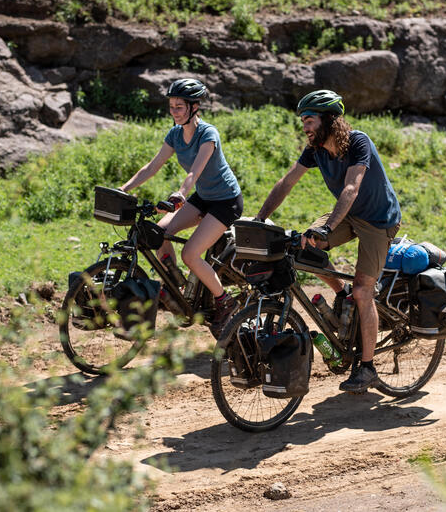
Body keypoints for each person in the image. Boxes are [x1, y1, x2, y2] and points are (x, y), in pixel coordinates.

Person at [255, 90, 402, 393]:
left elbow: (351, 188)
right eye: (303, 121)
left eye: (309, 120)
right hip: (347, 215)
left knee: (364, 291)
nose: (305, 127)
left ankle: (367, 367)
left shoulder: (358, 141)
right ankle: (341, 291)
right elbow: (287, 182)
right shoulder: (316, 149)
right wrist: (259, 219)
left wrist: (329, 226)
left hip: (378, 219)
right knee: (305, 248)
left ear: (329, 120)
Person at [120, 78, 242, 337]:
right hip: (204, 197)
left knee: (190, 253)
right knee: (158, 233)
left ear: (194, 106)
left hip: (225, 201)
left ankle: (224, 301)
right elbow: (151, 167)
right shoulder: (175, 134)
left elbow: (194, 173)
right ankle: (178, 287)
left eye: (179, 107)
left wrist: (180, 194)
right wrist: (123, 189)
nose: (174, 111)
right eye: (172, 106)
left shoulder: (208, 134)